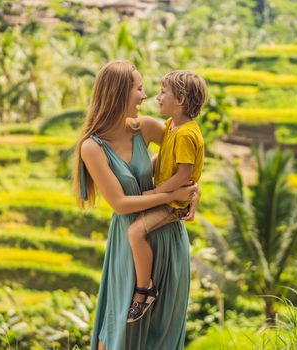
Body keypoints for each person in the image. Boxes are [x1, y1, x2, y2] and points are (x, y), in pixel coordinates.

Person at [73, 60, 200, 350]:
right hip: (129, 243)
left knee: (162, 335)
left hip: (168, 238)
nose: (144, 96)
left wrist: (194, 190)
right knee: (120, 332)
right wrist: (170, 196)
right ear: (118, 93)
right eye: (139, 88)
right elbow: (120, 204)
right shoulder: (92, 146)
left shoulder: (147, 128)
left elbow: (186, 161)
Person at [126, 71, 207, 323]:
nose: (157, 98)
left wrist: (156, 192)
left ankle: (144, 290)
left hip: (173, 204)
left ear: (181, 99)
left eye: (164, 93)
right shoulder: (174, 126)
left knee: (135, 232)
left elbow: (184, 175)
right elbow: (166, 158)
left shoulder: (185, 134)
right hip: (170, 196)